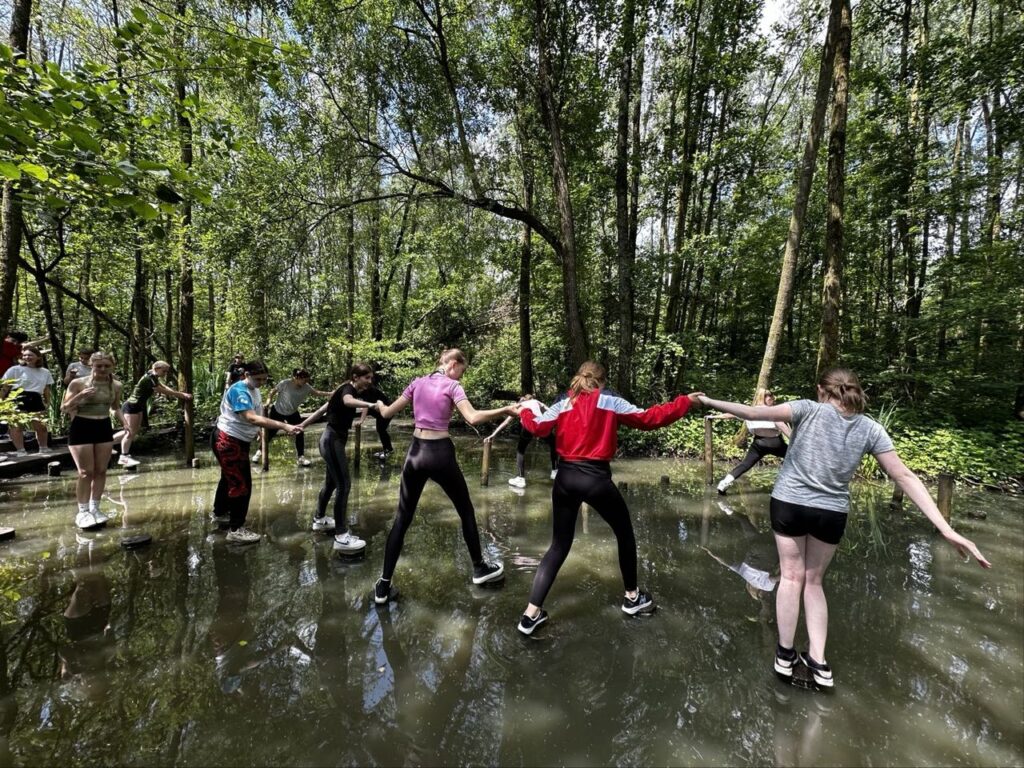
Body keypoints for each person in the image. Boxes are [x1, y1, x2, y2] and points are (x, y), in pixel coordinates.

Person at [697, 368, 991, 689]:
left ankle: (784, 657)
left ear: (822, 389)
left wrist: (708, 400)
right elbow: (904, 476)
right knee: (813, 582)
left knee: (791, 578)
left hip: (789, 504)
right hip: (830, 512)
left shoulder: (806, 408)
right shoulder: (870, 428)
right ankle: (819, 663)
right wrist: (945, 527)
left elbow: (752, 412)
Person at [515, 361, 702, 635]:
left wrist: (525, 411)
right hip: (595, 480)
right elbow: (650, 418)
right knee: (625, 534)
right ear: (602, 381)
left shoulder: (563, 403)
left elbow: (537, 428)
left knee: (559, 545)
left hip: (565, 479)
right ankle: (632, 598)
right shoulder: (610, 400)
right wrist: (685, 402)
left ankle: (530, 615)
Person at [372, 348, 517, 603]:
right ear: (452, 364)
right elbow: (472, 417)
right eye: (462, 369)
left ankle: (383, 586)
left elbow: (385, 413)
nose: (462, 375)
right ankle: (480, 568)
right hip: (440, 454)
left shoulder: (417, 383)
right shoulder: (452, 386)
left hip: (415, 454)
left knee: (402, 520)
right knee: (466, 511)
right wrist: (505, 409)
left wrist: (379, 403)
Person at [211, 360, 303, 544]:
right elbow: (251, 417)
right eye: (258, 379)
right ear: (246, 375)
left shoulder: (254, 389)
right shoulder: (239, 390)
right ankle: (236, 529)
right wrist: (284, 425)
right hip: (228, 440)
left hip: (237, 439)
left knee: (229, 478)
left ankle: (220, 513)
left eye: (264, 379)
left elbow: (258, 416)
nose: (261, 382)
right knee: (241, 484)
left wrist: (260, 433)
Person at [299, 363, 384, 553]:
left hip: (332, 439)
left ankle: (319, 519)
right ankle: (341, 536)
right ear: (355, 376)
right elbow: (347, 401)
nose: (370, 381)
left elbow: (322, 410)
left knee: (331, 484)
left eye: (371, 378)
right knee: (344, 484)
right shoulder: (347, 389)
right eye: (366, 378)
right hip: (332, 440)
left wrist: (302, 425)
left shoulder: (345, 390)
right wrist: (370, 405)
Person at [61, 351, 123, 530]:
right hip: (82, 426)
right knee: (85, 472)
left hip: (103, 426)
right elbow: (64, 408)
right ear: (91, 365)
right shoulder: (78, 383)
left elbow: (115, 407)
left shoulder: (116, 385)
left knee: (101, 470)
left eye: (106, 365)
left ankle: (95, 508)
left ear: (112, 366)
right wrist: (80, 397)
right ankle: (82, 511)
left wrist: (125, 423)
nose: (103, 369)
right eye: (99, 365)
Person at [711, 388, 792, 494]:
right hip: (775, 443)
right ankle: (794, 485)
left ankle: (724, 483)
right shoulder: (773, 411)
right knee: (795, 457)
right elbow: (781, 425)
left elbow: (732, 414)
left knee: (745, 464)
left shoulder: (750, 411)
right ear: (767, 398)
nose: (773, 400)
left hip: (759, 443)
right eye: (772, 398)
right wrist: (794, 438)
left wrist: (714, 416)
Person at [118, 361, 192, 467]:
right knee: (129, 433)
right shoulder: (149, 378)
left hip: (138, 406)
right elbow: (159, 390)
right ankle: (124, 456)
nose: (165, 373)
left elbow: (163, 386)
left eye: (166, 371)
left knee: (133, 431)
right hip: (131, 406)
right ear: (157, 368)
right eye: (164, 371)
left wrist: (177, 393)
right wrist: (181, 395)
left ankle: (108, 442)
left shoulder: (152, 375)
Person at [252, 368, 331, 467]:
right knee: (270, 433)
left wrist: (331, 394)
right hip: (277, 411)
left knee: (299, 431)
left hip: (292, 413)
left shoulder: (306, 387)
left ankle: (301, 457)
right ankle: (259, 453)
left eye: (307, 380)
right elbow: (272, 392)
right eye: (304, 379)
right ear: (296, 378)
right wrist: (268, 402)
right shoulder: (285, 383)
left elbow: (317, 393)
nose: (306, 382)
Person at [1, 346, 54, 456]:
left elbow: (46, 389)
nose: (27, 357)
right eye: (25, 355)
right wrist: (1, 401)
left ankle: (43, 448)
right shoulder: (14, 369)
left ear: (38, 357)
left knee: (41, 426)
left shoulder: (45, 372)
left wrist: (48, 402)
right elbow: (6, 387)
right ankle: (21, 450)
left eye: (30, 355)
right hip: (17, 397)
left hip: (36, 398)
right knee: (16, 426)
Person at [507, 394, 559, 488]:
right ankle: (555, 470)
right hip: (541, 426)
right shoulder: (536, 402)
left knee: (520, 450)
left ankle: (520, 478)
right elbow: (550, 411)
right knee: (553, 444)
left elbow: (507, 421)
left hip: (528, 427)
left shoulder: (520, 405)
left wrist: (493, 434)